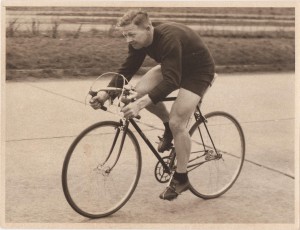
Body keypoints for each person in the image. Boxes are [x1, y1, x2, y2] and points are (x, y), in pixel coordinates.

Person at [90, 10, 215, 201]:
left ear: (148, 28)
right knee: (136, 93)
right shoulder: (138, 42)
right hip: (174, 65)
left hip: (198, 72)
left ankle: (181, 178)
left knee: (177, 123)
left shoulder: (168, 39)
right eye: (125, 35)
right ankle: (167, 128)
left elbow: (172, 81)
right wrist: (106, 92)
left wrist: (140, 105)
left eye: (131, 34)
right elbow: (129, 68)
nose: (128, 40)